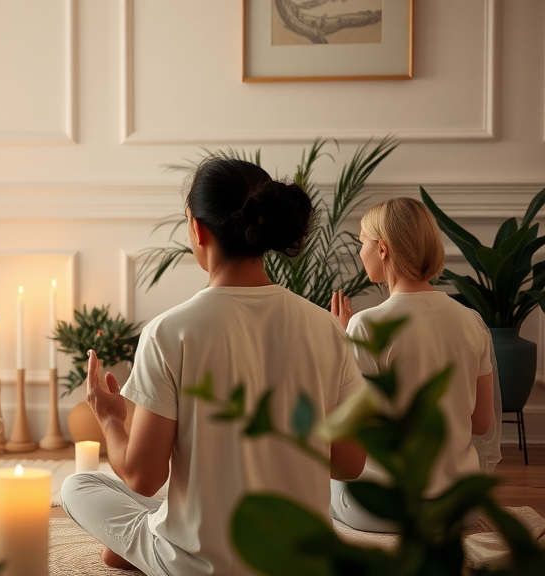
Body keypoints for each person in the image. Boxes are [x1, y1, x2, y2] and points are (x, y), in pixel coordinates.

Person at [60, 158, 368, 575]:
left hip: (197, 564)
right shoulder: (327, 329)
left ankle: (142, 544)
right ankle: (145, 537)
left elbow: (142, 477)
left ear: (197, 228)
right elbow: (349, 464)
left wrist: (111, 419)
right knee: (163, 503)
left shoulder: (169, 332)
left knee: (79, 485)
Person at [329, 196, 498, 532]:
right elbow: (481, 423)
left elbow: (356, 433)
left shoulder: (365, 326)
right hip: (459, 507)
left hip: (389, 511)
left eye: (362, 241)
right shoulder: (472, 321)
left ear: (383, 249)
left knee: (324, 482)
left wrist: (339, 339)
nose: (358, 252)